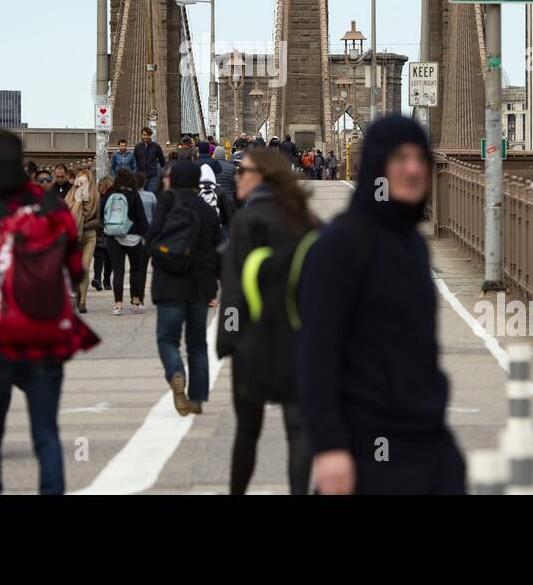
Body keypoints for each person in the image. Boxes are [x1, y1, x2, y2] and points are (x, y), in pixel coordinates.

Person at [297, 114, 466, 495]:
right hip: (366, 449)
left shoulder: (413, 246)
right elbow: (315, 353)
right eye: (399, 159)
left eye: (420, 158)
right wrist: (329, 448)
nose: (412, 169)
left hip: (428, 443)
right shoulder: (339, 245)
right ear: (376, 166)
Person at [0, 130, 99, 495]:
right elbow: (76, 270)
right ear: (22, 162)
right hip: (46, 335)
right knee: (45, 430)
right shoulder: (51, 207)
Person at [217, 148, 318, 494]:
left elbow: (232, 289)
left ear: (261, 177)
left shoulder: (247, 221)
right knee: (298, 430)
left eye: (242, 170)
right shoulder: (304, 218)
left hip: (254, 343)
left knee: (247, 430)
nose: (237, 176)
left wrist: (227, 341)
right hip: (299, 341)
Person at [146, 160, 220, 416]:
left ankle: (176, 372)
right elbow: (218, 249)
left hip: (169, 282)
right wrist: (217, 285)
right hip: (200, 285)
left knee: (167, 338)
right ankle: (198, 398)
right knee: (197, 344)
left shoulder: (166, 202)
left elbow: (152, 237)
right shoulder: (207, 209)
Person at [102, 169, 149, 315]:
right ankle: (135, 302)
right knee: (136, 270)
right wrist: (146, 235)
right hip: (133, 237)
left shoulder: (109, 194)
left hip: (113, 236)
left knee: (118, 271)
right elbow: (141, 218)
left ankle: (118, 305)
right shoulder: (133, 195)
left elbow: (101, 214)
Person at [65, 169, 100, 313]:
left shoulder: (96, 196)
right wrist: (78, 203)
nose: (82, 185)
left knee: (85, 267)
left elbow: (98, 220)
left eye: (85, 182)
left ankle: (83, 301)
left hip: (89, 236)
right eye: (80, 182)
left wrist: (83, 224)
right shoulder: (70, 196)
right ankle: (76, 295)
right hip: (73, 236)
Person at [91, 176, 114, 293]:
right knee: (99, 257)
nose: (100, 188)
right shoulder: (97, 198)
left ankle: (106, 279)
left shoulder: (111, 198)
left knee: (108, 258)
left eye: (101, 185)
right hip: (101, 231)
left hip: (108, 231)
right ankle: (98, 279)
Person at [133, 127, 165, 192]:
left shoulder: (156, 147)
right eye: (144, 135)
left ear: (150, 135)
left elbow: (162, 162)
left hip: (152, 176)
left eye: (147, 135)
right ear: (142, 135)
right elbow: (135, 160)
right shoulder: (138, 147)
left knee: (150, 193)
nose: (146, 137)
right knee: (140, 195)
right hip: (140, 176)